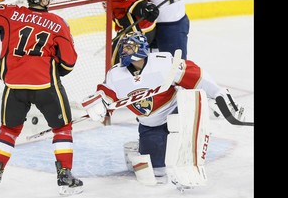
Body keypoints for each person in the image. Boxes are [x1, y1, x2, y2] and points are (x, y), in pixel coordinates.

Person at [82, 31, 245, 188]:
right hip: (150, 124)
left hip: (175, 111)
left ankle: (188, 163)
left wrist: (217, 93)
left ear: (141, 48)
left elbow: (196, 75)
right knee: (157, 172)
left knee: (191, 105)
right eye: (124, 48)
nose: (124, 51)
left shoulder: (163, 62)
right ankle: (136, 152)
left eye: (129, 47)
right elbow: (106, 94)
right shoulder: (116, 75)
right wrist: (98, 103)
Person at [0, 0, 83, 196]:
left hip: (14, 86)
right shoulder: (58, 23)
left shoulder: (11, 13)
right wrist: (54, 71)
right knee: (62, 128)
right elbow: (69, 61)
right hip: (45, 86)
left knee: (9, 129)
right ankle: (64, 173)